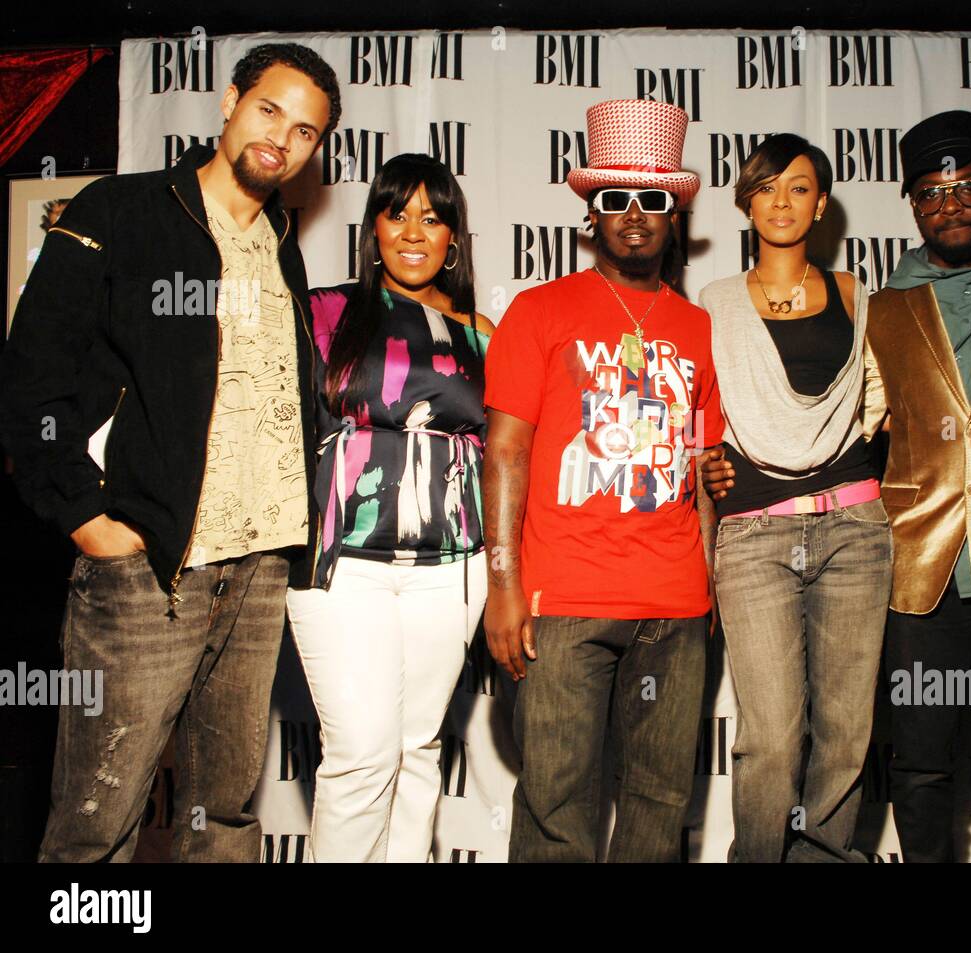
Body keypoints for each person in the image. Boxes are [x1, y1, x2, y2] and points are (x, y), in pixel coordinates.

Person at [715, 110, 971, 862]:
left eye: (967, 188)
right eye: (931, 194)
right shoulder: (886, 305)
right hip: (917, 570)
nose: (951, 205)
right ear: (911, 204)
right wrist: (730, 456)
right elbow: (852, 417)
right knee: (921, 770)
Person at [0, 44, 341, 862]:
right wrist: (86, 515)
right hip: (150, 569)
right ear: (228, 101)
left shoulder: (282, 248)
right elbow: (30, 380)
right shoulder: (119, 211)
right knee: (95, 823)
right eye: (269, 111)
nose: (282, 139)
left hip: (258, 568)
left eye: (305, 131)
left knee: (221, 817)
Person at [482, 99, 722, 862]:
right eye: (614, 198)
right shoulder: (537, 310)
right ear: (591, 213)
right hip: (565, 604)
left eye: (652, 199)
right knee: (557, 804)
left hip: (676, 607)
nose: (634, 214)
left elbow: (706, 472)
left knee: (658, 808)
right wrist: (502, 583)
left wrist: (709, 582)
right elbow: (505, 453)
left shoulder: (700, 326)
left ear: (674, 212)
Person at [284, 154, 492, 862]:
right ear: (372, 227)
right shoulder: (322, 310)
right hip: (345, 565)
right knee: (363, 754)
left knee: (416, 749)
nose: (413, 231)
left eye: (433, 218)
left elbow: (507, 453)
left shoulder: (481, 332)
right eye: (397, 212)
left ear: (454, 238)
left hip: (452, 571)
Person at [696, 134, 891, 862]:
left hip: (856, 530)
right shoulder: (713, 304)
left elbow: (877, 395)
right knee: (771, 736)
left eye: (799, 187)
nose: (782, 202)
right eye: (767, 187)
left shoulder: (855, 294)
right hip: (753, 537)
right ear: (746, 201)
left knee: (846, 729)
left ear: (823, 203)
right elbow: (697, 411)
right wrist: (703, 463)